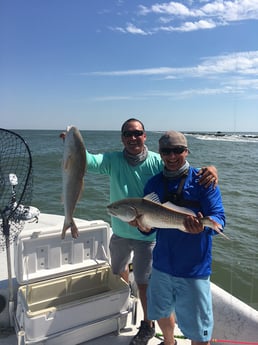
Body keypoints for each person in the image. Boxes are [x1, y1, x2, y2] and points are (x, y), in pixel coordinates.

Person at [85, 119, 219, 345]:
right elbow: (90, 161)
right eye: (128, 133)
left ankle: (147, 325)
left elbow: (185, 169)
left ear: (145, 136)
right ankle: (127, 309)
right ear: (122, 137)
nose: (171, 155)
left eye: (137, 133)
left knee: (145, 283)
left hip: (158, 245)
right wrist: (74, 143)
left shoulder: (158, 162)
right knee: (119, 273)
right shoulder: (115, 161)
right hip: (125, 232)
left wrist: (212, 170)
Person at [139, 131, 225, 345]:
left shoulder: (204, 180)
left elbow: (218, 218)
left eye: (178, 150)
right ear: (160, 153)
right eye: (166, 151)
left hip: (193, 268)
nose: (172, 156)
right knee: (159, 310)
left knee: (198, 329)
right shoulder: (153, 184)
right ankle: (169, 342)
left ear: (186, 151)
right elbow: (149, 229)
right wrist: (141, 225)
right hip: (161, 265)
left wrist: (204, 228)